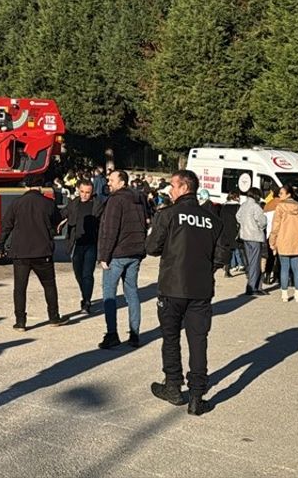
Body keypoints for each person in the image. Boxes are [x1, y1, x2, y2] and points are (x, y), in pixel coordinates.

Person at [146, 170, 219, 416]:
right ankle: (197, 396)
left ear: (185, 187)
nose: (170, 191)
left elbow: (152, 248)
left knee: (171, 337)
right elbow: (221, 255)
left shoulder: (168, 215)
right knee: (198, 341)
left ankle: (173, 386)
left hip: (172, 287)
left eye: (173, 186)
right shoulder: (211, 219)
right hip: (200, 288)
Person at [0, 174, 68, 331]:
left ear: (26, 186)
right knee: (49, 285)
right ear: (41, 186)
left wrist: (0, 247)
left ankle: (21, 322)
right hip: (42, 252)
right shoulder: (48, 204)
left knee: (20, 288)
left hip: (20, 253)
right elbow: (57, 222)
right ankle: (54, 317)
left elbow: (6, 226)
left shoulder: (17, 203)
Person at [98, 170, 147, 349]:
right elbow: (145, 223)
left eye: (111, 180)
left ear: (121, 182)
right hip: (135, 252)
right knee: (132, 293)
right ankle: (134, 334)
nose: (108, 183)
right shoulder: (139, 198)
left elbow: (110, 230)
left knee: (109, 294)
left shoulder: (115, 200)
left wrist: (104, 256)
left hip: (117, 253)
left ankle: (112, 334)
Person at [58, 178, 102, 314]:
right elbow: (63, 213)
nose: (84, 195)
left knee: (87, 274)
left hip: (91, 244)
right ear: (78, 190)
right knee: (78, 273)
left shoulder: (98, 205)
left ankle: (86, 302)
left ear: (92, 192)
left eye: (87, 192)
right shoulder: (74, 203)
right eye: (82, 192)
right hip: (77, 243)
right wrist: (61, 221)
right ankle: (85, 295)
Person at [269, 186, 298, 302]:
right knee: (296, 267)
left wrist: (272, 241)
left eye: (281, 193)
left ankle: (284, 293)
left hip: (283, 239)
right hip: (297, 239)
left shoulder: (280, 207)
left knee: (284, 267)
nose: (279, 195)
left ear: (289, 194)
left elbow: (275, 226)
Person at [236, 187, 268, 296]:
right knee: (255, 262)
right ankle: (253, 287)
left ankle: (251, 285)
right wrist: (259, 227)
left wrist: (244, 225)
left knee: (250, 262)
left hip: (245, 236)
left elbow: (238, 217)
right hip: (255, 236)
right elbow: (262, 221)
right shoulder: (256, 207)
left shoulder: (244, 205)